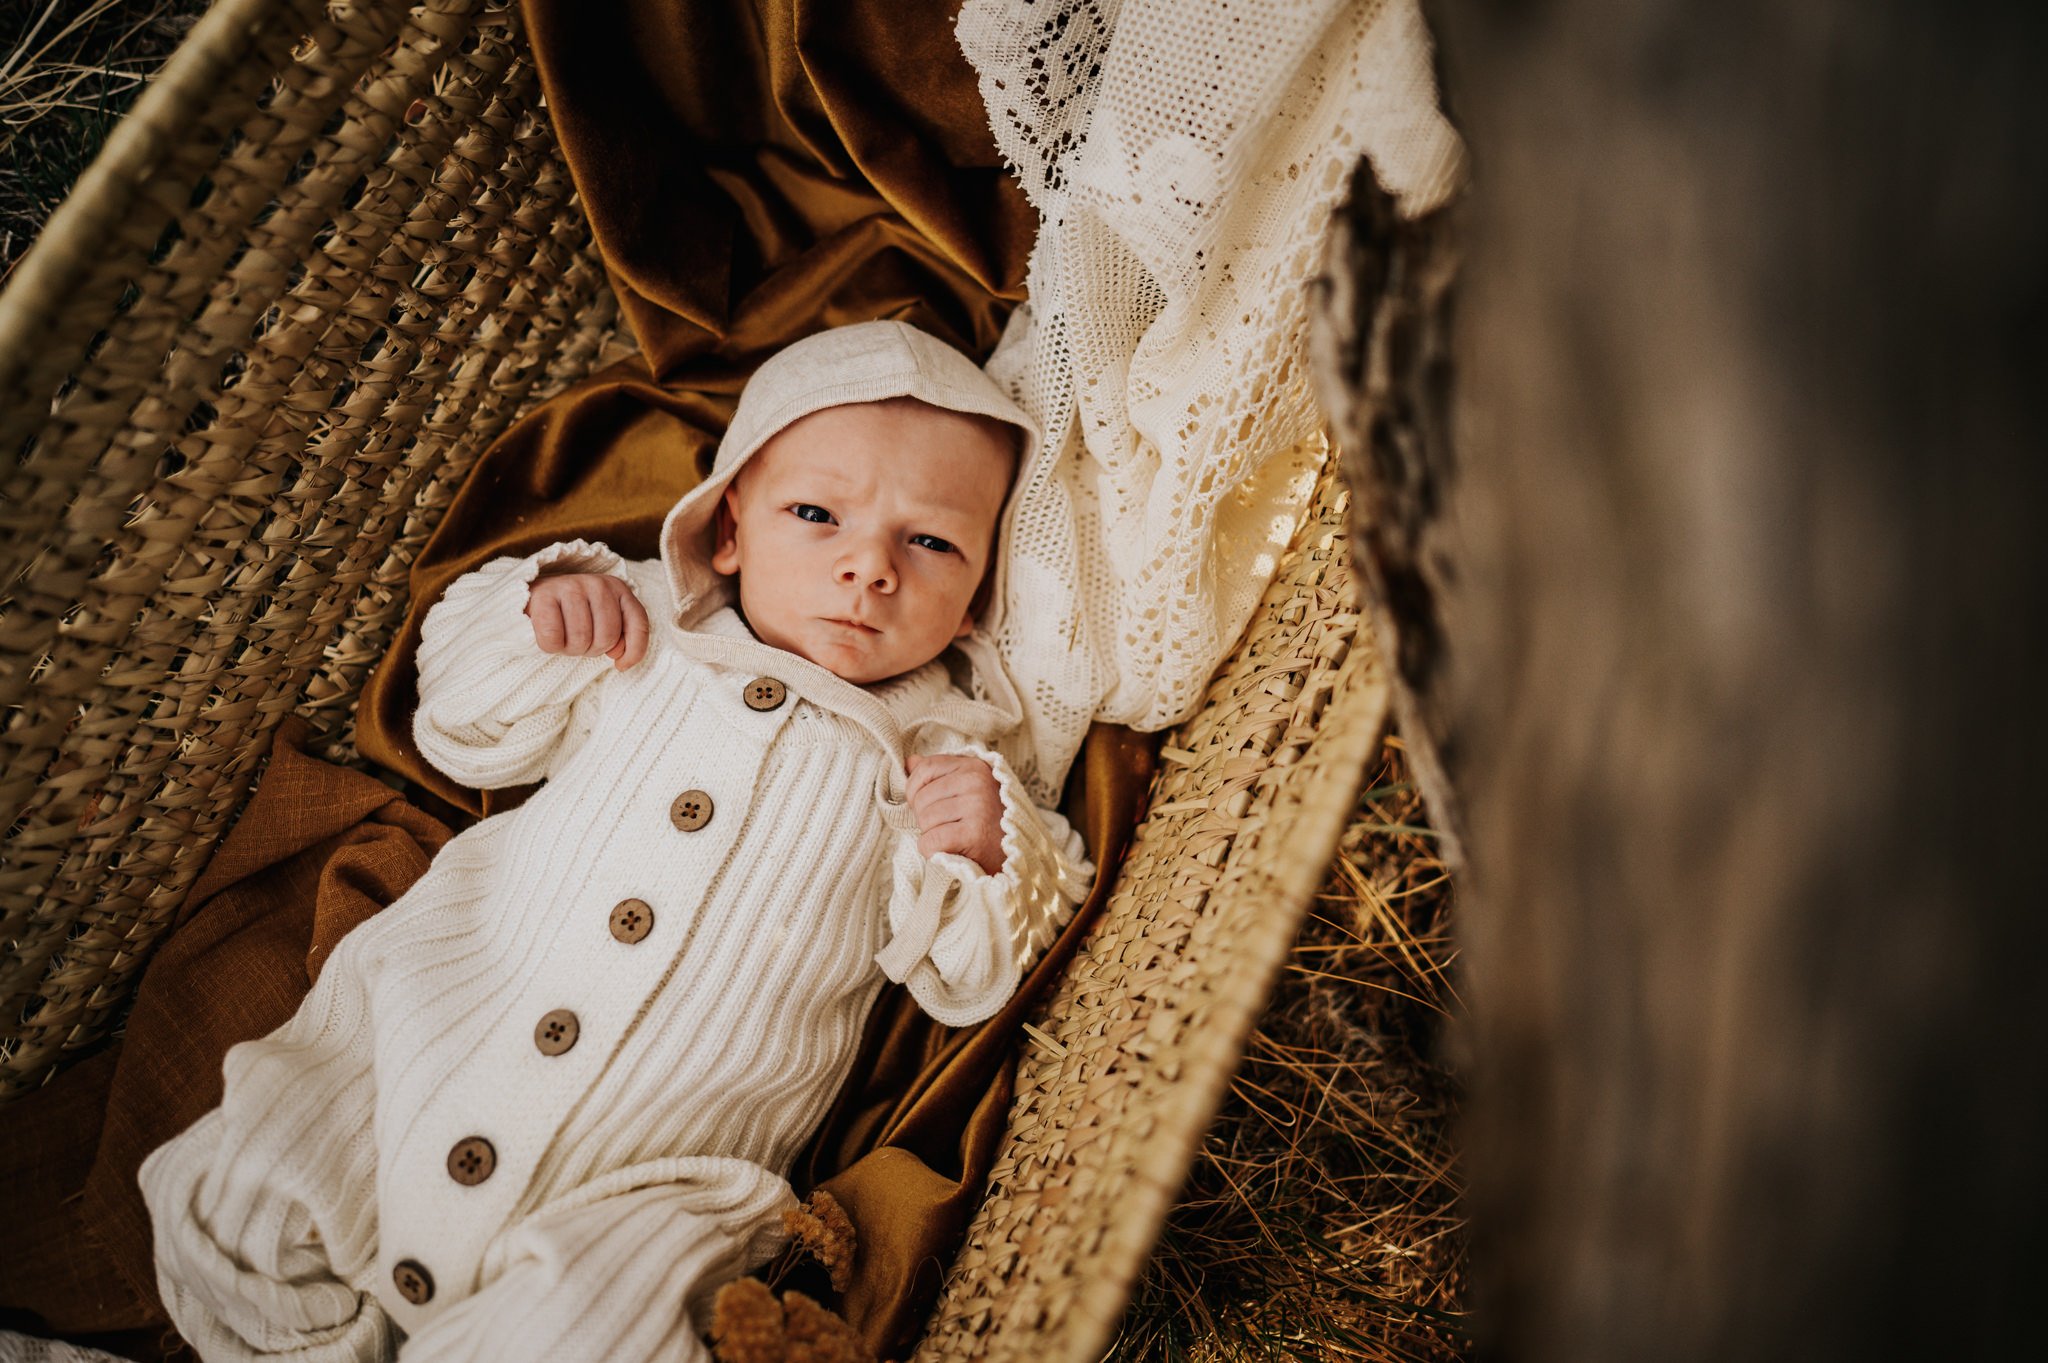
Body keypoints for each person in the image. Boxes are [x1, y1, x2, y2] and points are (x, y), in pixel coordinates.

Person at [140, 320, 1093, 1362]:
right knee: (232, 1204)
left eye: (930, 543)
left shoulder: (941, 749)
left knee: (600, 1328)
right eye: (816, 514)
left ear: (973, 602)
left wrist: (989, 855)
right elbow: (462, 727)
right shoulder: (642, 624)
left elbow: (970, 973)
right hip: (431, 1044)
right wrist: (538, 613)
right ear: (727, 532)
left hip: (659, 1175)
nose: (867, 567)